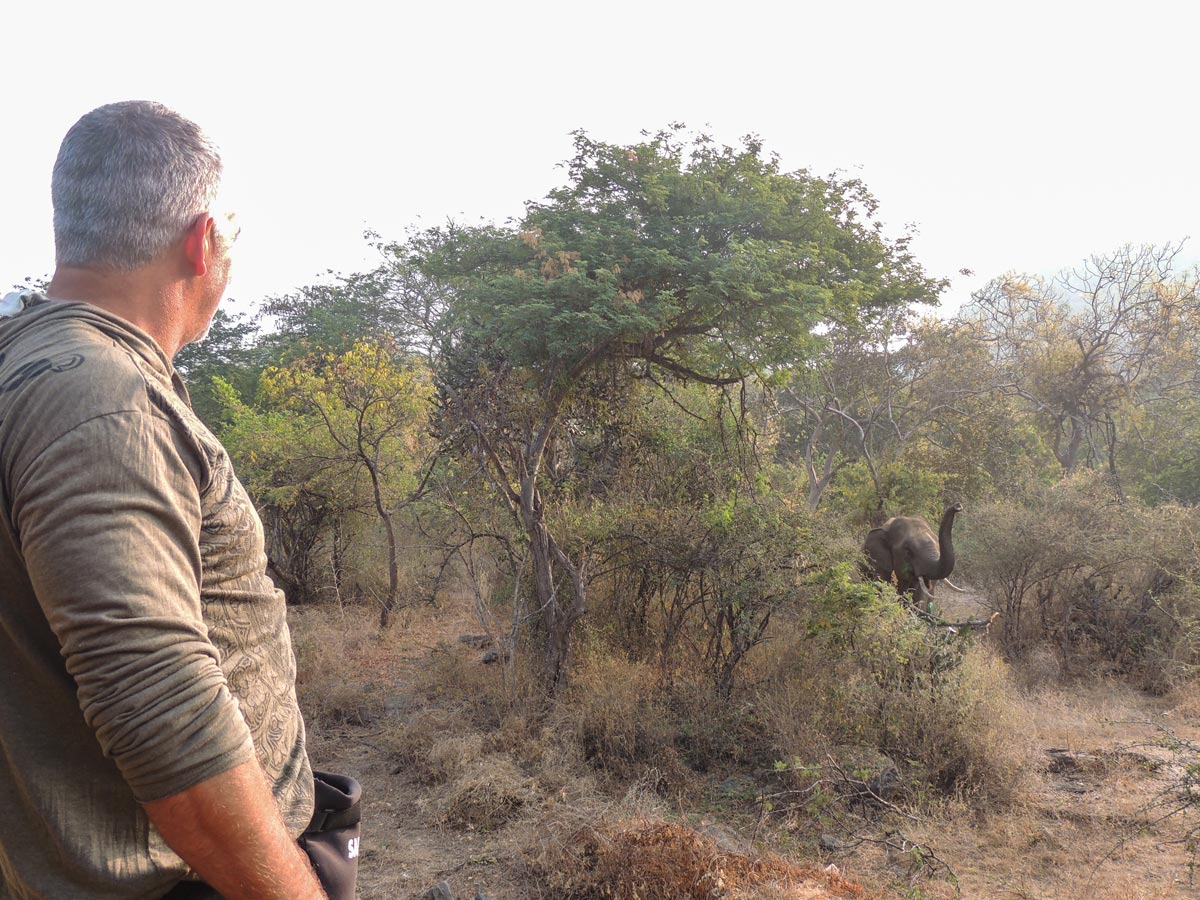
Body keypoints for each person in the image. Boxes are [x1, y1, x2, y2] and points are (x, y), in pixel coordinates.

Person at [0, 101, 333, 899]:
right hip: (170, 879)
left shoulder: (29, 363)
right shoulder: (102, 400)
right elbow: (158, 706)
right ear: (201, 240)